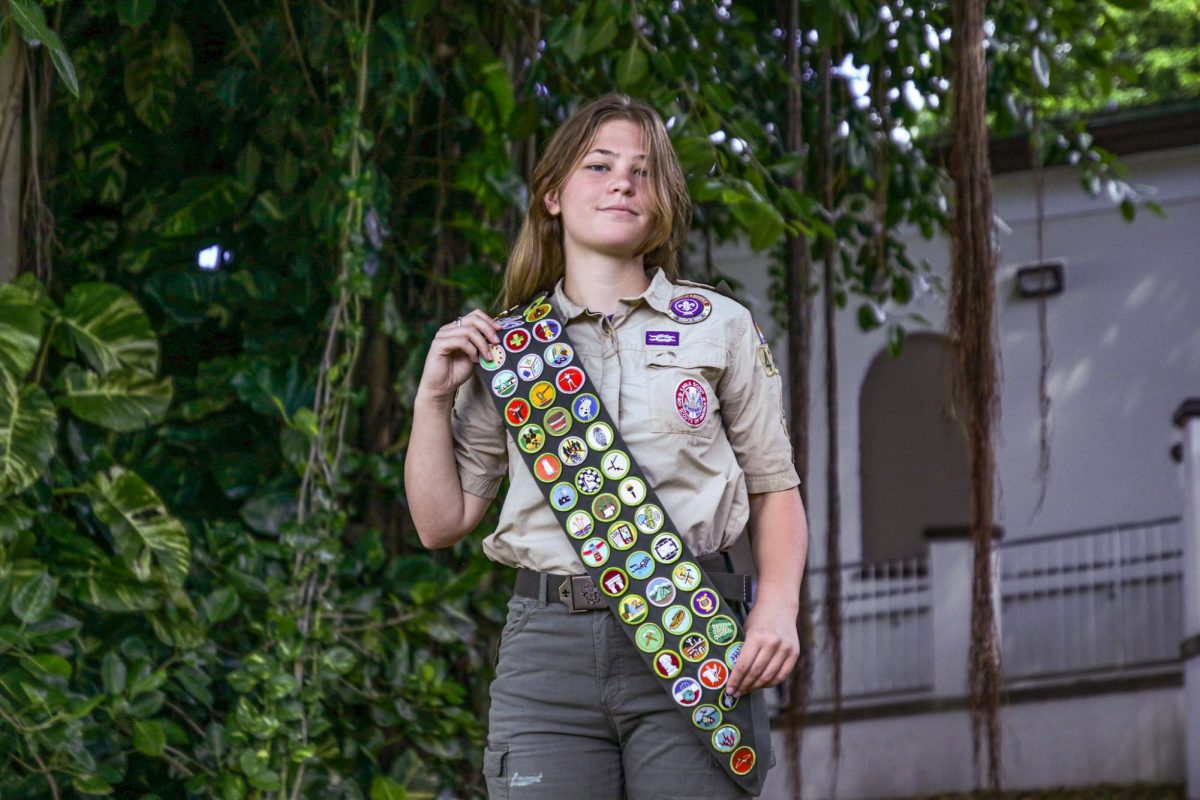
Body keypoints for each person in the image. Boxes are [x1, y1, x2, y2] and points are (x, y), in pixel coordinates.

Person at [404, 93, 808, 799]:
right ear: (554, 194)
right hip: (548, 651)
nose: (623, 181)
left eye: (643, 171)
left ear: (664, 205)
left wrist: (777, 605)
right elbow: (441, 524)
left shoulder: (719, 326)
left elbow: (774, 485)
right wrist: (432, 398)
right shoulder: (511, 349)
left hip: (690, 632)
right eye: (599, 165)